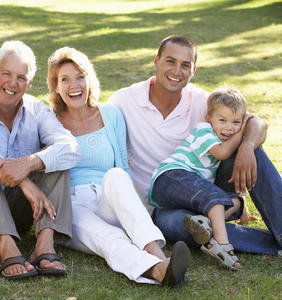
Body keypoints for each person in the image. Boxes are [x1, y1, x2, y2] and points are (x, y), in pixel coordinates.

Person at [109, 35, 282, 256]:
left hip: (207, 190)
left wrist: (247, 147)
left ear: (193, 70)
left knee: (251, 145)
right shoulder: (124, 101)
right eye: (170, 61)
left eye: (185, 65)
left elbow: (256, 123)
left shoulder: (202, 101)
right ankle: (259, 237)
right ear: (156, 61)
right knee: (180, 225)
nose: (176, 71)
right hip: (162, 206)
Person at [48, 46, 191, 287]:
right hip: (73, 206)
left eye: (80, 77)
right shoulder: (49, 122)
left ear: (89, 80)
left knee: (115, 174)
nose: (74, 85)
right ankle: (159, 271)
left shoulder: (110, 115)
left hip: (109, 200)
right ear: (55, 86)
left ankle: (156, 252)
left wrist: (138, 211)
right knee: (109, 238)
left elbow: (123, 169)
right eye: (65, 79)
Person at [0, 41, 81, 279]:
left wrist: (29, 163)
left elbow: (71, 147)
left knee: (55, 159)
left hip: (21, 210)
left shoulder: (37, 110)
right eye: (6, 74)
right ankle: (6, 247)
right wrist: (24, 180)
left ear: (30, 83)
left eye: (21, 77)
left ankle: (44, 245)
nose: (12, 83)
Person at [149, 87, 250, 270]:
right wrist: (242, 131)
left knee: (234, 203)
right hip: (170, 177)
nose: (229, 128)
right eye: (222, 120)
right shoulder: (204, 130)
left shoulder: (222, 134)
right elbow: (221, 153)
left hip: (187, 188)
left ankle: (205, 224)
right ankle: (222, 244)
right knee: (215, 199)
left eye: (236, 122)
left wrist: (242, 200)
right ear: (209, 119)